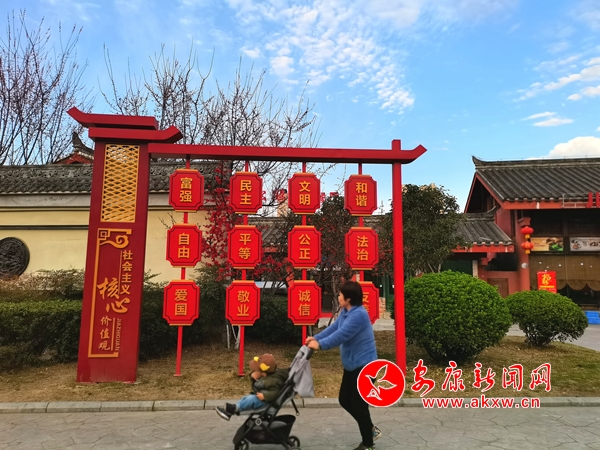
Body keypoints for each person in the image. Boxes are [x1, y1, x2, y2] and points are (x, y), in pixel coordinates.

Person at [306, 280, 381, 450]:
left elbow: (342, 335)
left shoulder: (359, 315)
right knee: (345, 400)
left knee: (359, 405)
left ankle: (368, 444)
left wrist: (320, 345)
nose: (338, 296)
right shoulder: (346, 312)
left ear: (348, 298)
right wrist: (316, 338)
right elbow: (334, 329)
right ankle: (370, 429)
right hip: (352, 365)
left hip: (365, 367)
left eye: (340, 294)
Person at [215, 353, 289, 420]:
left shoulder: (272, 381)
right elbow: (257, 384)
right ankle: (230, 411)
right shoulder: (267, 376)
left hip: (265, 402)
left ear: (263, 374)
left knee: (250, 400)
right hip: (260, 397)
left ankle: (233, 409)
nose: (254, 372)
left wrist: (265, 396)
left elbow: (275, 392)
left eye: (256, 371)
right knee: (245, 398)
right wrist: (253, 377)